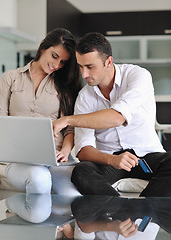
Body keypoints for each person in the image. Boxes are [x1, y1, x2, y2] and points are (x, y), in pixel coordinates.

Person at [52, 32, 171, 197]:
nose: (84, 74)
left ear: (108, 62)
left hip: (146, 156)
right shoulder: (85, 96)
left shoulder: (137, 76)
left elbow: (117, 117)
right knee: (81, 171)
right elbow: (83, 150)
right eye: (80, 67)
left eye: (90, 67)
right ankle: (118, 210)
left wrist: (67, 120)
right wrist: (112, 160)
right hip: (109, 160)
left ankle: (145, 208)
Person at [0, 28, 82, 195]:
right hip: (20, 158)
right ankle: (15, 206)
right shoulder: (11, 78)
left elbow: (70, 127)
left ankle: (23, 209)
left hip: (55, 158)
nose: (56, 65)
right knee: (39, 179)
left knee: (72, 198)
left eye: (63, 62)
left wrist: (64, 152)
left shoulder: (63, 85)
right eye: (54, 56)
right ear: (43, 48)